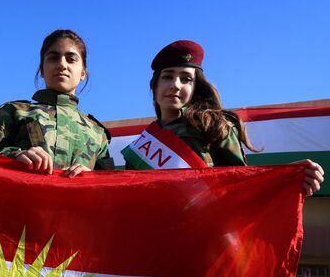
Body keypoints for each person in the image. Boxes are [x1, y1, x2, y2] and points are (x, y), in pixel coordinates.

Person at [122, 39, 324, 195]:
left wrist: (285, 176)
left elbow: (242, 184)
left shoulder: (213, 125)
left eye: (186, 79)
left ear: (195, 88)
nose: (175, 84)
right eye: (167, 76)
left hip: (205, 234)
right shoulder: (141, 145)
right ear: (155, 85)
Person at [0, 29, 113, 177]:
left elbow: (113, 187)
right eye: (53, 58)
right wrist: (14, 156)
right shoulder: (15, 112)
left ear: (83, 73)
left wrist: (93, 178)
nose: (62, 64)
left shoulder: (98, 134)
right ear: (42, 70)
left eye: (71, 59)